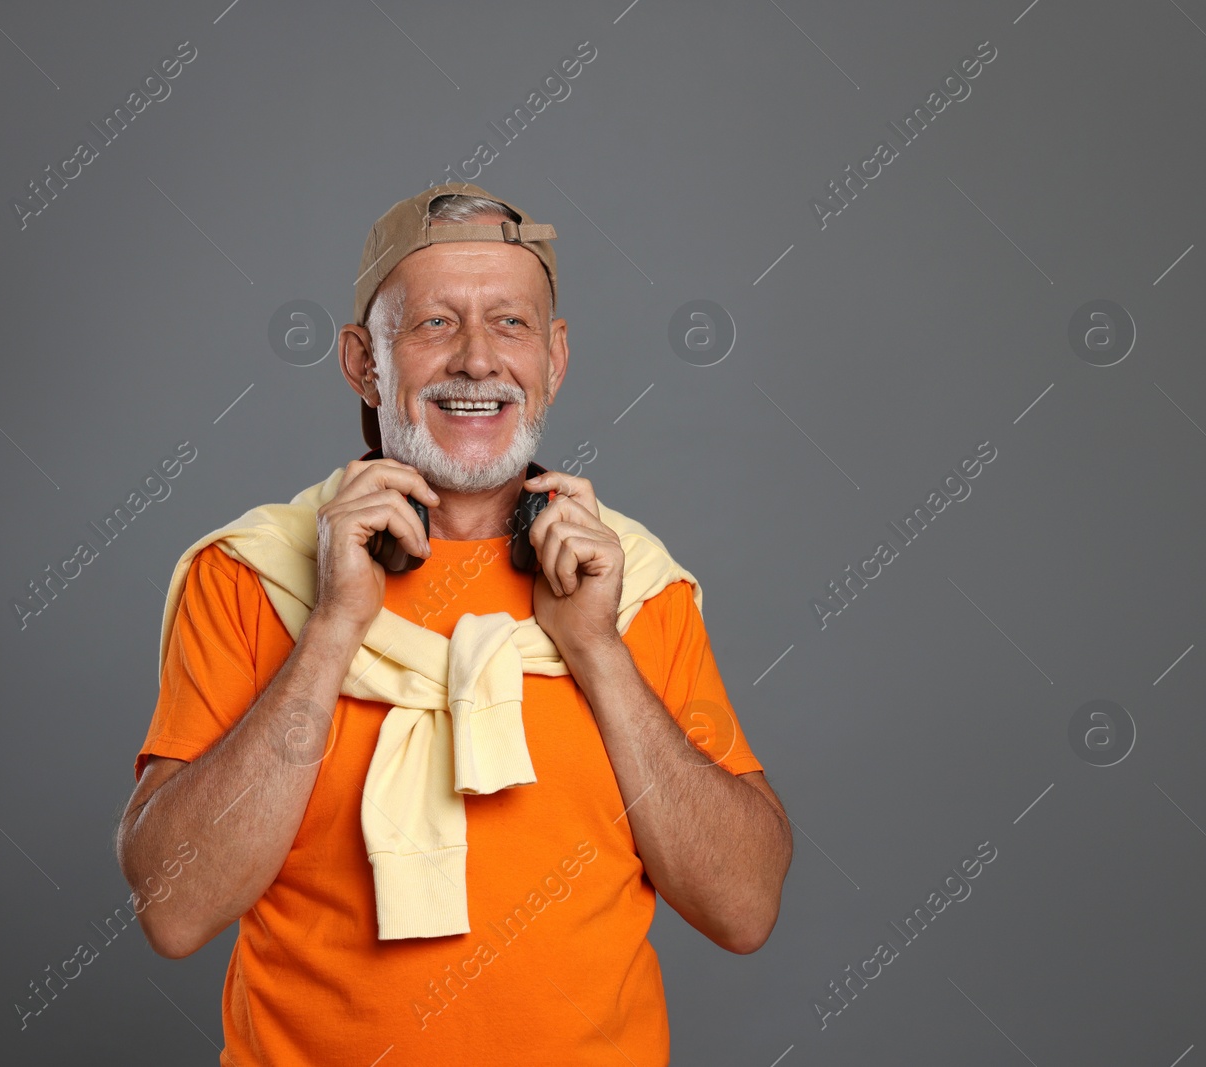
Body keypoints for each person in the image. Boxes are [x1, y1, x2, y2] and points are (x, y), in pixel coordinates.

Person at [116, 181, 792, 1065]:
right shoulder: (249, 577)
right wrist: (333, 628)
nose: (478, 360)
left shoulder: (633, 588)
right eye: (435, 323)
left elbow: (743, 907)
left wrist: (595, 647)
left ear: (554, 359)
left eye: (510, 324)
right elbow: (174, 910)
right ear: (364, 362)